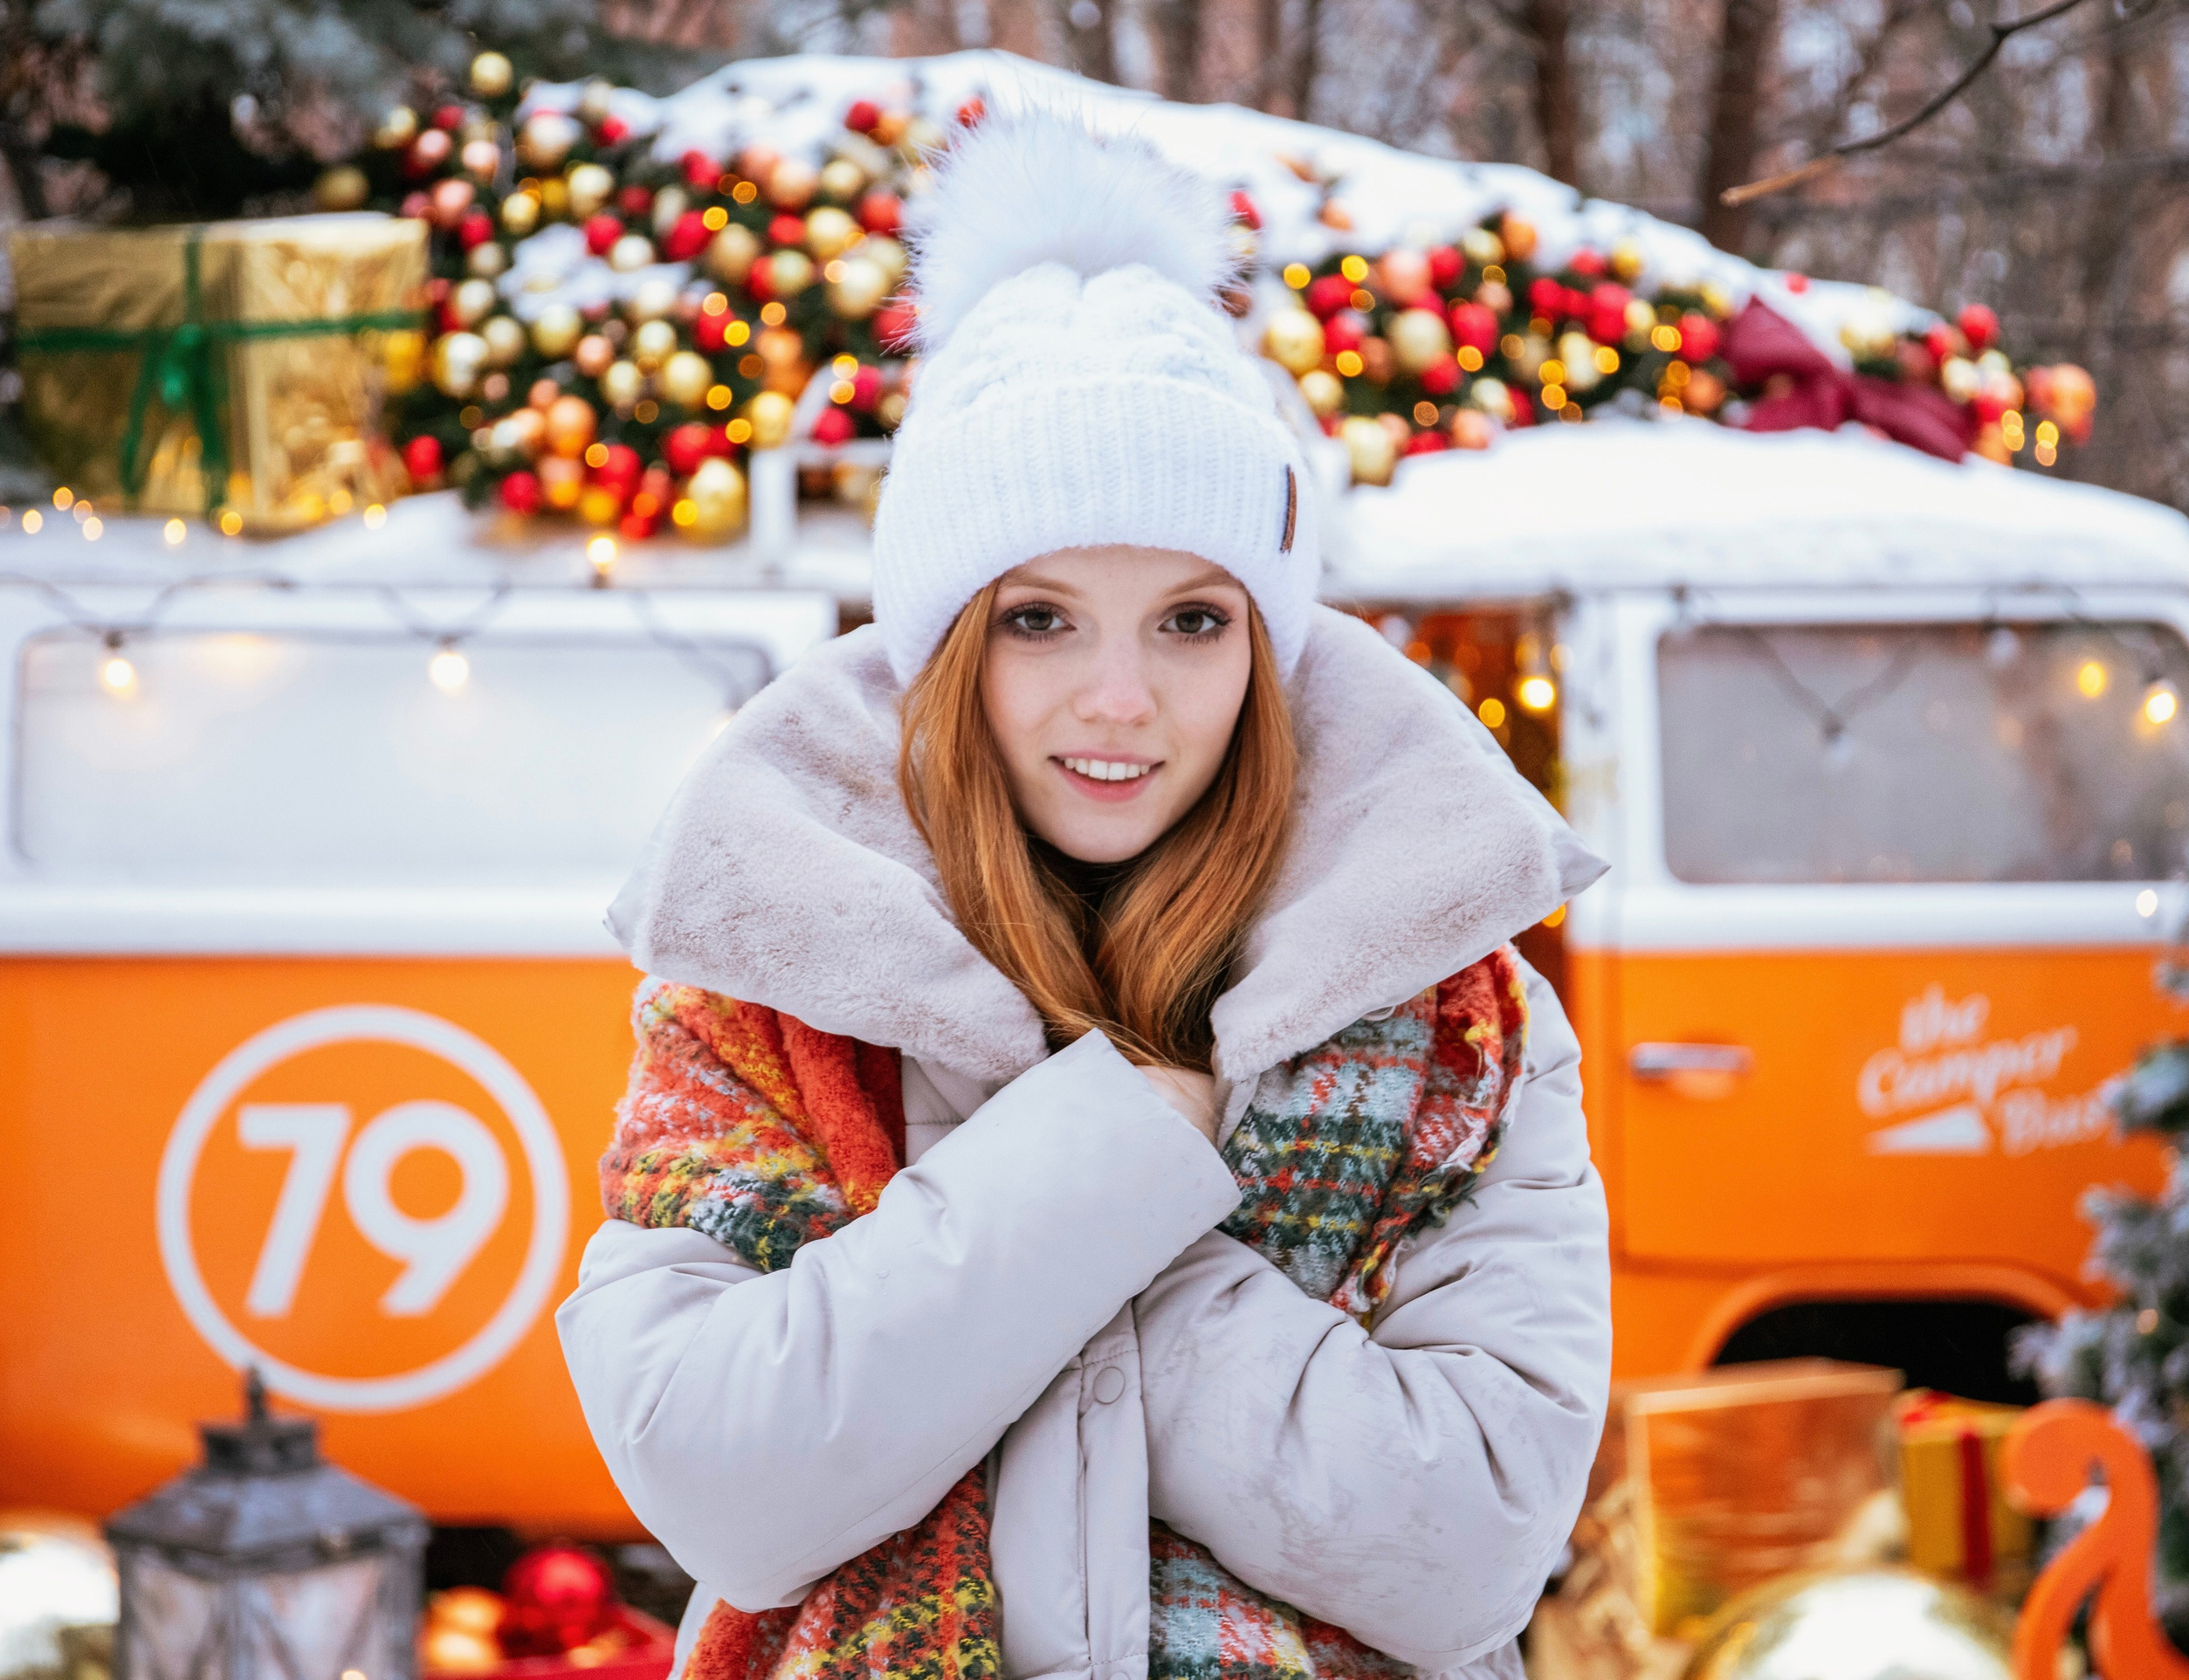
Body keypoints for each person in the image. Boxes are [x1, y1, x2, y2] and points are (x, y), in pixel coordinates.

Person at [560, 109, 1612, 1680]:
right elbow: (721, 1475)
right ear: (945, 648)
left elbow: (1469, 1544)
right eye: (1043, 619)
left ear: (1270, 648)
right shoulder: (767, 985)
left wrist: (1056, 1245)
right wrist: (1105, 1160)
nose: (1117, 700)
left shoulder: (1465, 1018)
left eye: (1190, 622)